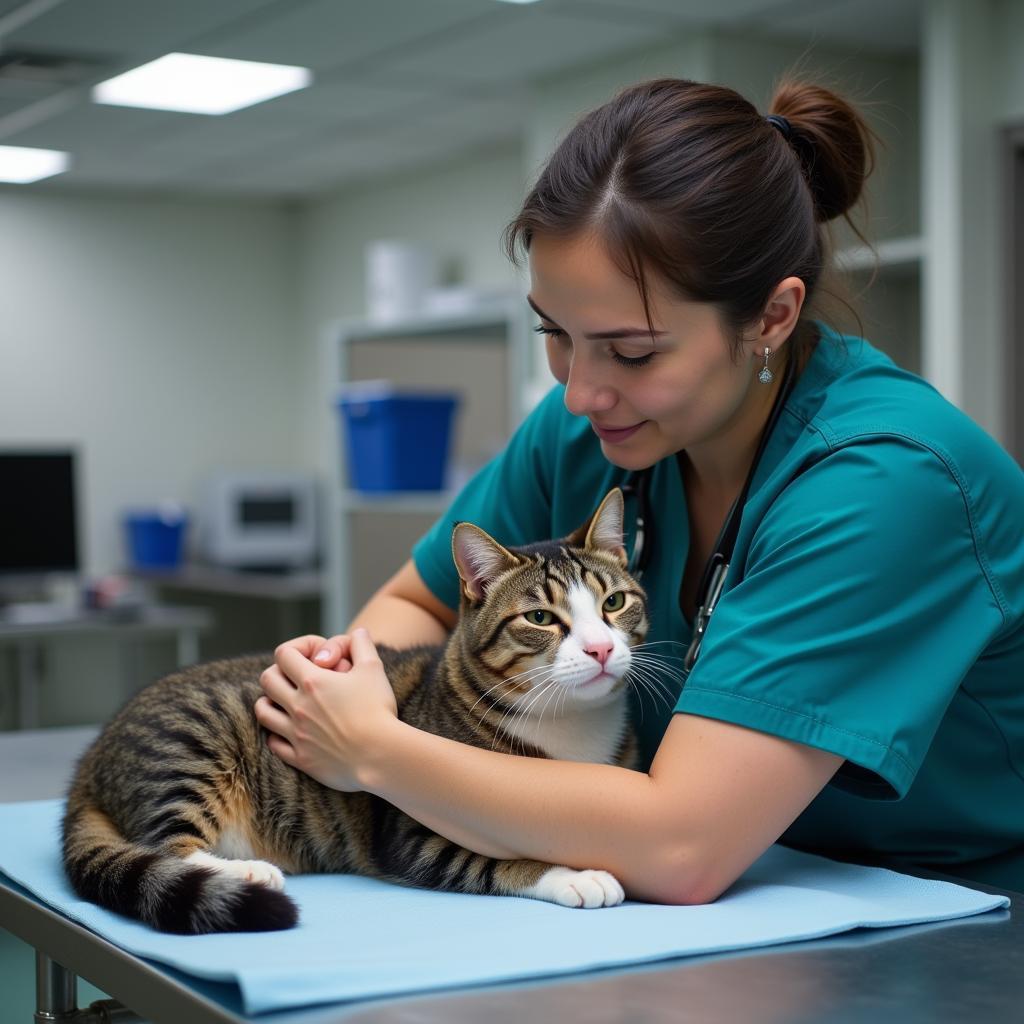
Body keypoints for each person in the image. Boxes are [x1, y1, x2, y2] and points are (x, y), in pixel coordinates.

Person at [254, 75, 1024, 900]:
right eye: (556, 334)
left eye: (632, 351)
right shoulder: (589, 428)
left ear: (770, 316)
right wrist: (356, 692)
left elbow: (683, 847)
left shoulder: (889, 481)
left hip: (954, 915)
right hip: (722, 886)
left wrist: (377, 752)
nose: (581, 391)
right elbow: (417, 608)